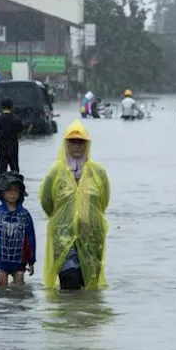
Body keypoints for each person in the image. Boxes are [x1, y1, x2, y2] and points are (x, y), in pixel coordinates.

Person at [40, 120, 110, 291]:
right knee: (69, 283)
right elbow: (46, 201)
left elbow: (104, 201)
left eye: (81, 142)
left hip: (91, 237)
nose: (77, 146)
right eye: (73, 141)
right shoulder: (56, 173)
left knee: (88, 287)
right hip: (63, 237)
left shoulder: (98, 172)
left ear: (87, 144)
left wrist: (88, 218)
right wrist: (63, 219)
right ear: (66, 144)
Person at [0, 172, 37, 287]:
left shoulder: (25, 215)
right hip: (1, 258)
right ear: (2, 192)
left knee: (19, 289)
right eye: (9, 190)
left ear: (20, 193)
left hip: (20, 259)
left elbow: (31, 238)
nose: (13, 193)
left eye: (16, 190)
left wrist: (32, 261)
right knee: (2, 290)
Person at [0, 97, 22, 175]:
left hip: (2, 149)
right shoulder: (17, 119)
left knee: (1, 171)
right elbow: (20, 132)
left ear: (1, 107)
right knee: (15, 170)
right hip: (13, 148)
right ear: (11, 107)